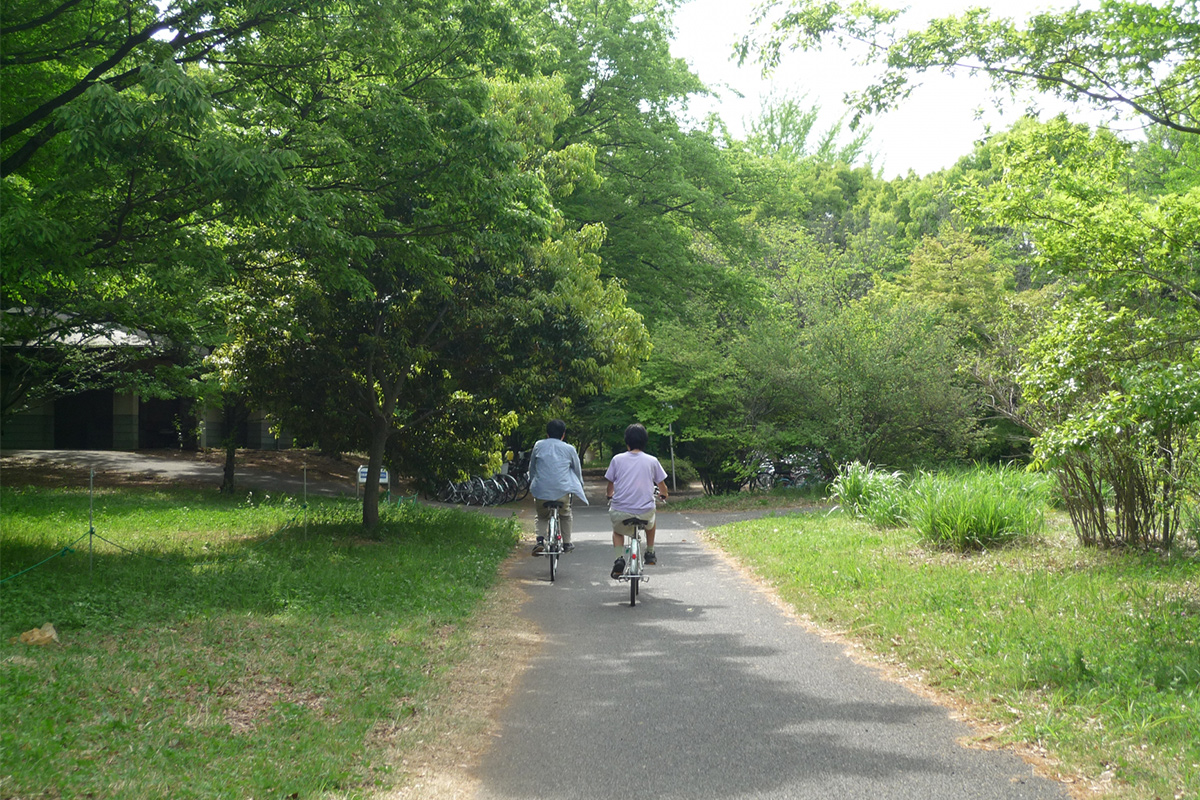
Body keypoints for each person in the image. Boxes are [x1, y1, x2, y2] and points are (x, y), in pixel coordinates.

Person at [605, 422, 669, 579]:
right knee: (651, 522)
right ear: (644, 441)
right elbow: (662, 486)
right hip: (644, 512)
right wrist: (663, 494)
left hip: (620, 511)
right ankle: (650, 552)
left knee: (617, 531)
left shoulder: (617, 459)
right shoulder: (652, 461)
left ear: (627, 442)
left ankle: (619, 559)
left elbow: (610, 485)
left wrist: (609, 495)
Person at [528, 419, 588, 554]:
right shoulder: (569, 449)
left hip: (541, 491)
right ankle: (567, 543)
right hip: (562, 492)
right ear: (563, 434)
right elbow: (577, 471)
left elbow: (532, 468)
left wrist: (533, 483)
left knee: (542, 516)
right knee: (565, 514)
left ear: (547, 434)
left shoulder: (538, 445)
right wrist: (580, 486)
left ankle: (539, 541)